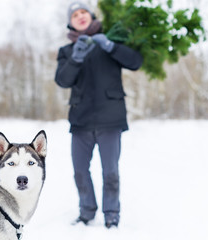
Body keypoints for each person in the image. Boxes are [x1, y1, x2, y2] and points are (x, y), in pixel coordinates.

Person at [55, 2, 143, 228]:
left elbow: (135, 62)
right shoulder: (66, 51)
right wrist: (76, 58)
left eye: (84, 12)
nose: (80, 16)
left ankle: (112, 214)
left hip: (110, 120)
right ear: (70, 22)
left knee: (111, 172)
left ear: (91, 15)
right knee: (80, 171)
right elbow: (63, 80)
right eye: (75, 14)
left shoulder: (110, 41)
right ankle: (86, 212)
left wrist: (112, 47)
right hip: (81, 120)